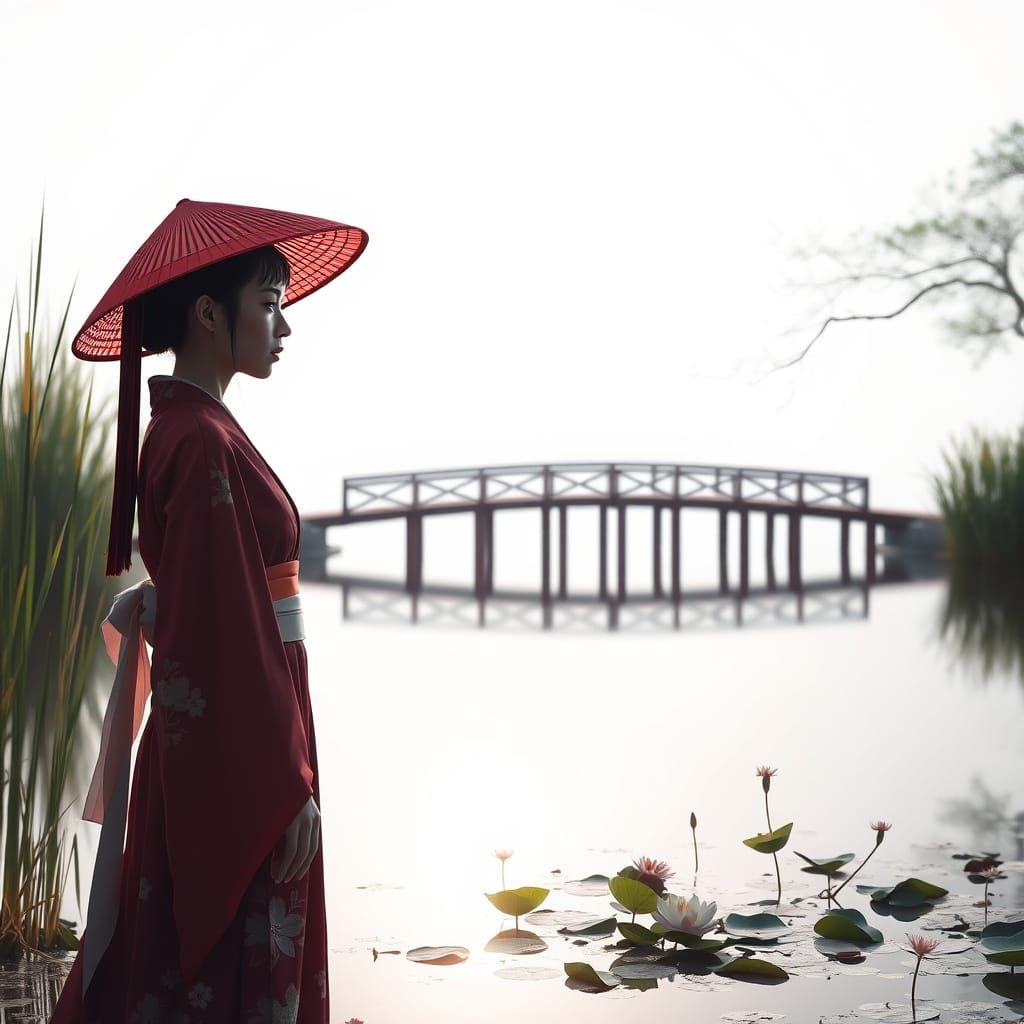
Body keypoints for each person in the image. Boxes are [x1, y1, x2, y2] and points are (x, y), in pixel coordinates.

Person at [50, 199, 368, 1023]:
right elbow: (219, 632)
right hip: (244, 744)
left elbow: (226, 623)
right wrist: (282, 781)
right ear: (206, 313)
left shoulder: (201, 430)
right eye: (268, 306)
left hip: (256, 719)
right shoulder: (196, 441)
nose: (284, 328)